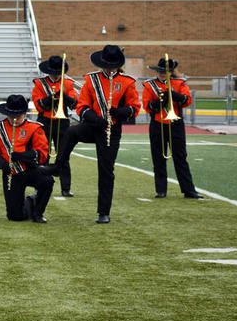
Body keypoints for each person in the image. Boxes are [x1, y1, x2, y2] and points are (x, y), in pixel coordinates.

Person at [41, 45, 140, 223]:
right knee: (70, 132)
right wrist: (93, 117)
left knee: (106, 171)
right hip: (93, 125)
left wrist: (121, 112)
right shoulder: (91, 80)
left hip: (111, 130)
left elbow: (134, 108)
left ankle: (103, 212)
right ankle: (58, 166)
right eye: (107, 65)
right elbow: (82, 106)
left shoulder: (127, 82)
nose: (109, 69)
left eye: (113, 66)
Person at [142, 57, 203, 199]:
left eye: (166, 71)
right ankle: (161, 190)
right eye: (161, 71)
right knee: (158, 158)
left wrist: (175, 95)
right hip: (157, 124)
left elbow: (187, 100)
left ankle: (188, 190)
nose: (163, 74)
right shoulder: (149, 85)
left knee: (181, 157)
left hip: (176, 125)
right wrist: (159, 102)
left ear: (171, 72)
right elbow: (147, 106)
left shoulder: (179, 83)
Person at [0, 94, 53, 223]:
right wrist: (3, 164)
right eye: (11, 115)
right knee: (15, 216)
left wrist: (22, 156)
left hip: (30, 169)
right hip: (11, 173)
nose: (14, 119)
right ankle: (30, 202)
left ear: (24, 113)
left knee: (47, 181)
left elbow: (42, 154)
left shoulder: (34, 128)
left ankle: (38, 213)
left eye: (17, 115)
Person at [31, 55, 78, 197]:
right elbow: (38, 105)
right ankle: (41, 184)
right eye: (54, 72)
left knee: (63, 155)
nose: (56, 75)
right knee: (43, 154)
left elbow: (75, 103)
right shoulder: (40, 84)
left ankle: (66, 188)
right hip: (45, 121)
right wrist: (50, 98)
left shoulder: (68, 84)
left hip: (62, 122)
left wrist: (64, 95)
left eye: (58, 73)